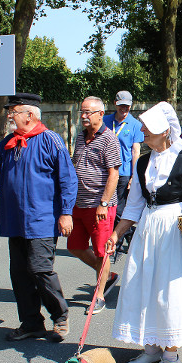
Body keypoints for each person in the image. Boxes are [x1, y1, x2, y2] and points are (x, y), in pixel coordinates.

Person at [105, 103, 182, 363]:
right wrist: (116, 234)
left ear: (164, 131)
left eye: (147, 128)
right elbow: (133, 206)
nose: (141, 130)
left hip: (172, 232)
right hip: (148, 229)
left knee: (169, 291)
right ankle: (151, 347)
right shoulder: (143, 161)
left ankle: (171, 354)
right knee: (143, 285)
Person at [0, 93, 76, 342]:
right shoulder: (7, 143)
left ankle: (60, 316)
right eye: (9, 111)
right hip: (15, 220)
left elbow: (68, 179)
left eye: (14, 111)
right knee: (20, 273)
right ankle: (31, 322)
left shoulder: (50, 140)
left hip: (42, 219)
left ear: (30, 115)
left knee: (40, 269)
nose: (10, 115)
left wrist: (66, 213)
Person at [69, 96, 122, 315]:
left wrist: (103, 203)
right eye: (82, 112)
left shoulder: (109, 139)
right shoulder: (81, 137)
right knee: (75, 246)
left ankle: (99, 296)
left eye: (88, 112)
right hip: (78, 203)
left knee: (102, 252)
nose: (83, 116)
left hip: (100, 206)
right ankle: (107, 276)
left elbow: (114, 174)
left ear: (100, 114)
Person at [102, 91, 144, 226]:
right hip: (105, 171)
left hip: (123, 173)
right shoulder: (104, 121)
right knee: (105, 204)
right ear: (115, 104)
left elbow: (135, 151)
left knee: (120, 208)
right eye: (121, 105)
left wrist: (134, 176)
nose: (124, 109)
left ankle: (120, 241)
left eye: (127, 106)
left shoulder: (135, 125)